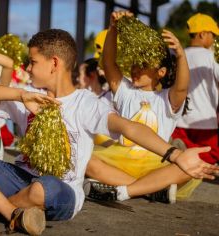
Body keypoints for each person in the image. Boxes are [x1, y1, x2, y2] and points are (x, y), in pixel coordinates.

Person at [0, 29, 219, 235]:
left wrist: (173, 154)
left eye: (33, 62)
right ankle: (12, 215)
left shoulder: (85, 103)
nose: (28, 68)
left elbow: (128, 127)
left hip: (61, 191)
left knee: (42, 189)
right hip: (19, 178)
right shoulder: (28, 94)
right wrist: (21, 95)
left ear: (54, 64)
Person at [85, 11, 201, 204]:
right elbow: (108, 62)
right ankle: (150, 190)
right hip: (119, 159)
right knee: (86, 160)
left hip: (157, 162)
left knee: (191, 167)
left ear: (161, 72)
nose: (136, 68)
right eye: (135, 63)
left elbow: (181, 87)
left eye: (144, 64)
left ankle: (121, 188)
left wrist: (181, 54)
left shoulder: (168, 99)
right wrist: (113, 29)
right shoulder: (125, 91)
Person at [171, 13, 219, 164]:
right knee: (209, 158)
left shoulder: (178, 55)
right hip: (204, 123)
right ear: (203, 34)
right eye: (213, 35)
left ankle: (183, 151)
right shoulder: (212, 57)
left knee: (180, 156)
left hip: (179, 120)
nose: (214, 39)